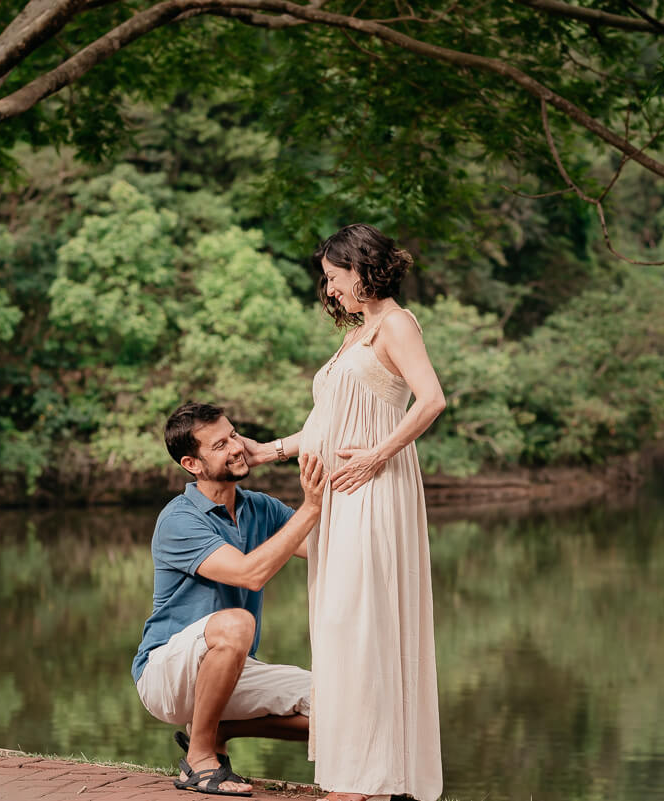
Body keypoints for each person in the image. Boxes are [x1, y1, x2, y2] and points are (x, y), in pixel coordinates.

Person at [242, 223, 446, 801]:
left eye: (333, 278)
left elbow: (431, 399)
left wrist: (377, 456)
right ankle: (363, 776)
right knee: (343, 630)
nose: (329, 290)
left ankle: (363, 782)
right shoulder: (356, 336)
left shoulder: (396, 324)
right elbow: (325, 424)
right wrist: (269, 450)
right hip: (342, 497)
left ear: (361, 269)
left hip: (375, 493)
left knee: (362, 627)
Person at [133, 401, 326, 797]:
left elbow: (322, 547)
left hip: (232, 672)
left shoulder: (260, 507)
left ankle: (222, 727)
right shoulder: (179, 519)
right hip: (166, 673)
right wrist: (311, 508)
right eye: (219, 445)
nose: (235, 447)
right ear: (193, 464)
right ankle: (200, 761)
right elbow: (249, 575)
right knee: (236, 621)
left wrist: (274, 450)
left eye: (234, 435)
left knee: (342, 703)